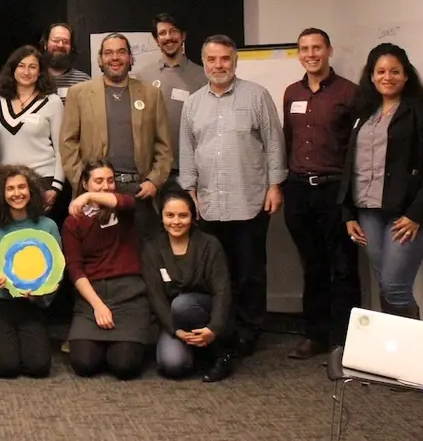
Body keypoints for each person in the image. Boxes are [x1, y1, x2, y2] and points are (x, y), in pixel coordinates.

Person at [178, 34, 285, 357]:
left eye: (225, 58)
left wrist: (275, 185)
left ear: (235, 61)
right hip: (209, 203)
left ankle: (250, 330)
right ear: (204, 63)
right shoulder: (194, 103)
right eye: (212, 59)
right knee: (217, 273)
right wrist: (190, 192)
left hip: (250, 199)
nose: (218, 65)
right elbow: (187, 150)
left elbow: (274, 143)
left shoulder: (257, 96)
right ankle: (221, 328)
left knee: (250, 271)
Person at [340, 43, 423, 319]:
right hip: (367, 212)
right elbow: (351, 164)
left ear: (406, 75)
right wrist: (348, 212)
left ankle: (415, 355)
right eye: (381, 71)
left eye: (395, 71)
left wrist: (417, 215)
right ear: (372, 76)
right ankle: (390, 353)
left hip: (406, 214)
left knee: (395, 285)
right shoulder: (363, 112)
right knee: (385, 284)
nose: (388, 77)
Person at [281, 28, 362, 359]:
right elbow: (288, 140)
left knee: (343, 267)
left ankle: (343, 341)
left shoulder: (350, 93)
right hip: (299, 190)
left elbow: (359, 147)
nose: (311, 53)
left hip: (335, 190)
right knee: (312, 264)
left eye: (317, 47)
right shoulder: (291, 92)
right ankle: (315, 335)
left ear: (329, 50)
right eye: (304, 49)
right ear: (298, 54)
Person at [60, 33, 172, 241]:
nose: (115, 57)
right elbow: (68, 143)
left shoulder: (150, 94)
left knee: (142, 253)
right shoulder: (79, 94)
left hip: (139, 191)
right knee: (98, 253)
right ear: (100, 59)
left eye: (121, 52)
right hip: (97, 190)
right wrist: (84, 182)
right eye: (108, 53)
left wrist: (154, 181)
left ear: (130, 58)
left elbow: (164, 145)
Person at [62, 160, 153, 380]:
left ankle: (125, 342)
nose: (105, 186)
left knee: (125, 366)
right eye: (98, 181)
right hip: (92, 297)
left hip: (129, 295)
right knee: (84, 364)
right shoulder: (74, 222)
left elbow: (122, 201)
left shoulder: (125, 208)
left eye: (110, 181)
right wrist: (98, 306)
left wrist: (89, 197)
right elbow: (75, 269)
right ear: (85, 182)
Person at [0, 165, 59, 378]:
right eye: (10, 189)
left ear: (32, 191)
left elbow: (56, 272)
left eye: (22, 187)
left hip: (32, 306)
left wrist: (41, 293)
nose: (17, 193)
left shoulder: (48, 227)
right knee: (7, 368)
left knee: (38, 368)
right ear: (1, 193)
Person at [142, 191, 234, 382]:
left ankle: (220, 352)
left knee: (182, 304)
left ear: (193, 217)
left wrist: (214, 328)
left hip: (207, 313)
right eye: (170, 215)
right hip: (174, 322)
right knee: (172, 365)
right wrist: (175, 331)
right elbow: (155, 297)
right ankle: (198, 351)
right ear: (161, 217)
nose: (176, 221)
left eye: (183, 215)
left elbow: (222, 291)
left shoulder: (209, 245)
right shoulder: (152, 248)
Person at [0, 45, 67, 222]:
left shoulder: (52, 102)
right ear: (13, 69)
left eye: (32, 67)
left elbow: (61, 149)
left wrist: (56, 187)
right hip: (6, 184)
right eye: (21, 66)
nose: (26, 71)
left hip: (41, 183)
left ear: (40, 71)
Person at [136, 13, 209, 195]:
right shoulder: (143, 76)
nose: (168, 37)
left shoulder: (202, 76)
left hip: (191, 169)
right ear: (156, 39)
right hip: (153, 171)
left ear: (183, 36)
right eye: (162, 33)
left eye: (173, 31)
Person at [41, 22, 91, 101]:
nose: (60, 45)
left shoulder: (84, 81)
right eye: (55, 40)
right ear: (45, 44)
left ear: (71, 47)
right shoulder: (34, 78)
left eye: (65, 41)